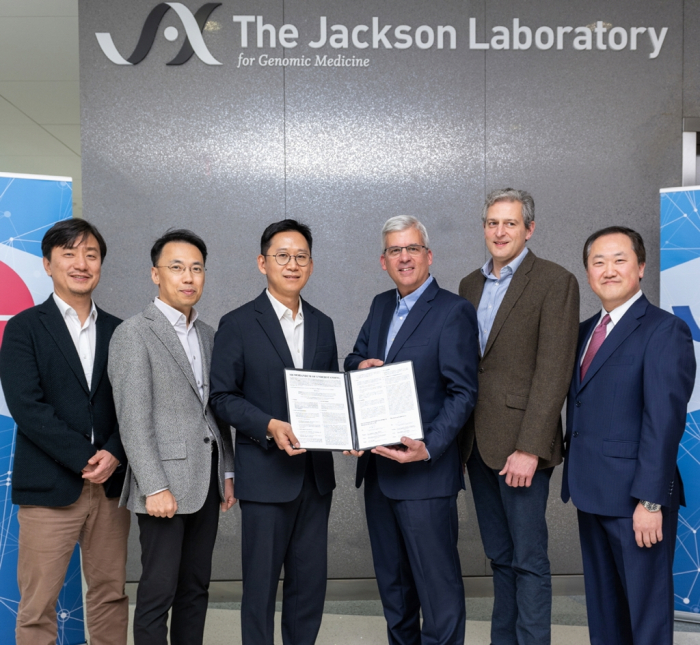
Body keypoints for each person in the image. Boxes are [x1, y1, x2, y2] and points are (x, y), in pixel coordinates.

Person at [344, 215, 479, 645]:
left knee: (437, 593)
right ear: (383, 260)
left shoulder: (454, 311)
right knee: (395, 594)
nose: (404, 257)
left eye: (412, 249)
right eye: (395, 251)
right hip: (380, 475)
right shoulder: (381, 305)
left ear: (428, 255)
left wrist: (429, 447)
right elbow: (354, 359)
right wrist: (359, 365)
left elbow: (463, 392)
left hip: (425, 476)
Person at [562, 226, 695, 645]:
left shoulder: (664, 330)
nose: (609, 270)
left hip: (637, 501)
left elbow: (664, 421)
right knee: (606, 617)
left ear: (640, 267)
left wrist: (650, 501)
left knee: (647, 618)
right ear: (588, 272)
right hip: (590, 493)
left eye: (620, 260)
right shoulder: (582, 332)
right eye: (598, 262)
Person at [458, 188, 579, 645]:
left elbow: (554, 370)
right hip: (477, 444)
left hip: (523, 447)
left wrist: (530, 447)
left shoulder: (555, 280)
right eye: (492, 223)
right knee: (501, 558)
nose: (500, 231)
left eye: (510, 223)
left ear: (529, 228)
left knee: (528, 559)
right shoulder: (470, 284)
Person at [0, 219, 130, 645]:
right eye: (69, 254)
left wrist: (112, 452)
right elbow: (27, 407)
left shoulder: (122, 331)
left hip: (111, 487)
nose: (81, 263)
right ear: (47, 264)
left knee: (110, 596)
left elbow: (132, 405)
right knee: (38, 605)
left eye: (91, 255)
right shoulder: (23, 328)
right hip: (50, 485)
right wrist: (84, 456)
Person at [209, 219, 338, 645]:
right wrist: (267, 425)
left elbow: (329, 393)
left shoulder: (323, 324)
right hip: (265, 478)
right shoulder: (239, 323)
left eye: (301, 256)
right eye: (282, 255)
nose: (292, 264)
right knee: (260, 589)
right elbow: (222, 398)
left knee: (309, 589)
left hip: (315, 479)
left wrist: (348, 430)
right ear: (262, 263)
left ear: (312, 265)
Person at [108, 229, 235, 645]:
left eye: (196, 268)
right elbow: (133, 419)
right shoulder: (134, 333)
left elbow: (215, 410)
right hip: (163, 487)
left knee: (195, 589)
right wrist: (154, 485)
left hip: (207, 479)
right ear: (154, 274)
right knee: (158, 593)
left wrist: (228, 470)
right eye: (176, 267)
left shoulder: (209, 334)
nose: (188, 277)